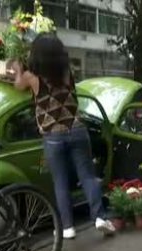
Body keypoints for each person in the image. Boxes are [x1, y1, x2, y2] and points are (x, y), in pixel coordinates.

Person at [12, 33, 115, 239]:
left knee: (60, 182)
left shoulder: (32, 77)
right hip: (77, 130)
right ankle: (100, 217)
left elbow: (17, 85)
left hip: (52, 136)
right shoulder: (68, 72)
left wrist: (17, 69)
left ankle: (67, 227)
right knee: (87, 176)